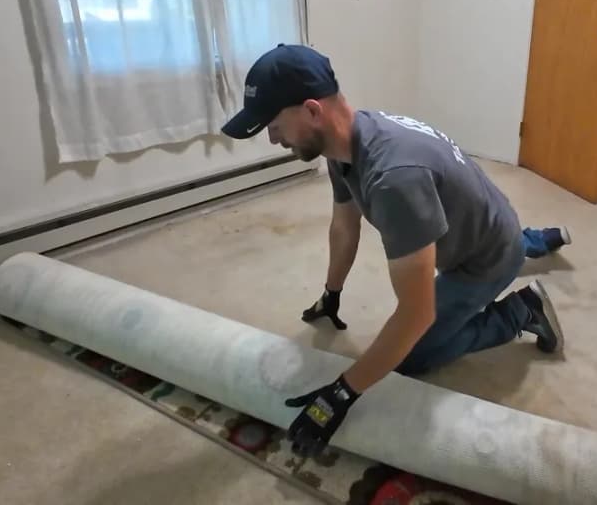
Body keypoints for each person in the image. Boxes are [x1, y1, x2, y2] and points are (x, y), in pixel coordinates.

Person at [221, 44, 568, 459]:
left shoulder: (393, 181)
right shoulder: (348, 139)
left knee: (412, 355)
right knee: (464, 222)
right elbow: (344, 226)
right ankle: (532, 239)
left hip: (481, 260)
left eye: (274, 125)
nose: (272, 137)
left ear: (313, 111)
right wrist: (332, 293)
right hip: (476, 217)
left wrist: (341, 393)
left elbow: (416, 313)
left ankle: (522, 310)